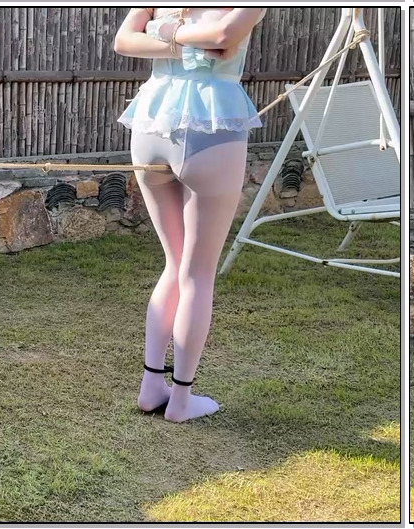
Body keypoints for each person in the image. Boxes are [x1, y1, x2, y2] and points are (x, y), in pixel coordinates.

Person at [113, 8, 266, 422]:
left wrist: (164, 29)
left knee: (176, 264)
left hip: (151, 122)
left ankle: (152, 387)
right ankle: (180, 399)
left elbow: (130, 38)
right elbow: (221, 36)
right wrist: (193, 40)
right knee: (197, 273)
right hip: (211, 122)